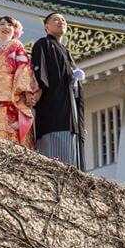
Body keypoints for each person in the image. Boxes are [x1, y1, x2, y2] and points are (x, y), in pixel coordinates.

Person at [31, 11, 86, 168]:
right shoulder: (43, 44)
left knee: (73, 162)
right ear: (46, 27)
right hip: (53, 112)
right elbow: (39, 72)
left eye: (63, 20)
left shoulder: (67, 53)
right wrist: (39, 90)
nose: (61, 22)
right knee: (55, 161)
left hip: (72, 117)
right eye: (56, 20)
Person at [0, 15, 40, 147]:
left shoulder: (16, 45)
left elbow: (24, 67)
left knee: (13, 131)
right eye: (2, 24)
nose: (6, 27)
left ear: (15, 31)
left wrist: (26, 90)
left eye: (10, 25)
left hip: (11, 95)